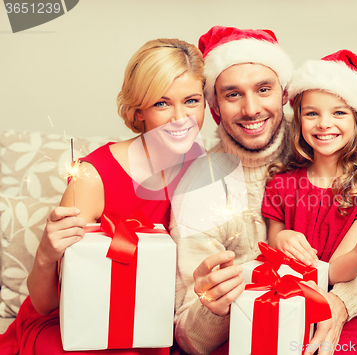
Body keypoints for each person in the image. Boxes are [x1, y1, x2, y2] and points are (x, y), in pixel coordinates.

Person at [169, 26, 357, 355]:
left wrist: (342, 302)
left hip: (343, 327)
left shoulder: (321, 139)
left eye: (263, 89)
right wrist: (214, 306)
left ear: (283, 93)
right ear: (215, 104)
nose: (251, 109)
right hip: (253, 340)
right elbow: (191, 339)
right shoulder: (200, 187)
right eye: (232, 94)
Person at [0, 38, 205, 355]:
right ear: (139, 112)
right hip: (72, 324)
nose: (181, 118)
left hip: (145, 323)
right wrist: (44, 254)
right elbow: (44, 305)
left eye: (191, 101)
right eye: (162, 104)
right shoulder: (94, 177)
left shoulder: (200, 168)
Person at [262, 50, 357, 355]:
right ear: (299, 120)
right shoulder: (281, 183)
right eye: (312, 113)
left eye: (338, 113)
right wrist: (282, 236)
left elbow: (335, 272)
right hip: (286, 319)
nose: (324, 123)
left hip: (349, 332)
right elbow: (273, 248)